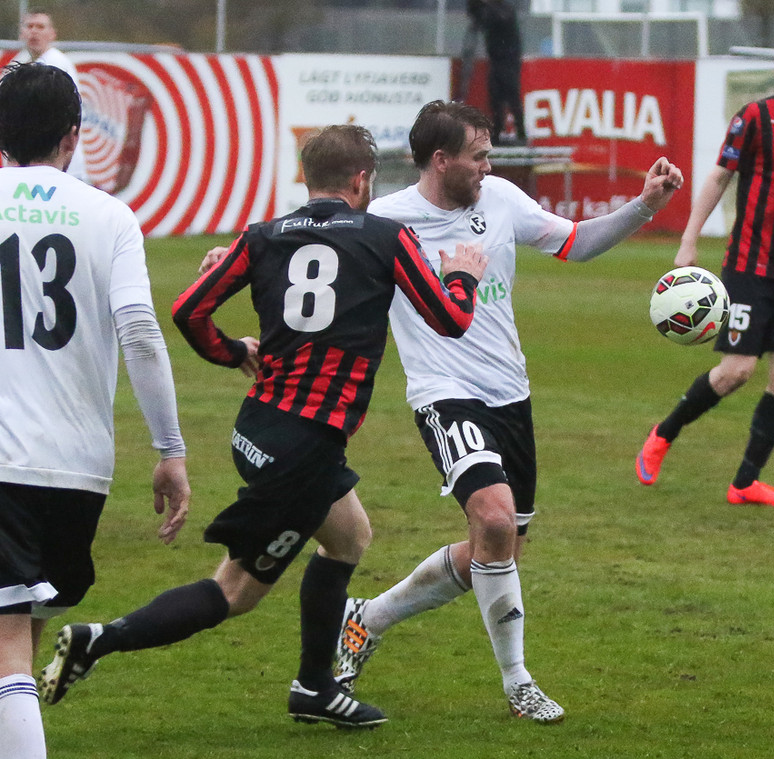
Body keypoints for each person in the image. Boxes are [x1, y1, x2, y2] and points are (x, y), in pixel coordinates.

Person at [38, 124, 488, 730]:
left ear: (307, 178)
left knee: (349, 536)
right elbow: (451, 317)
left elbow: (188, 309)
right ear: (362, 181)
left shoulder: (263, 236)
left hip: (263, 427)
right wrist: (463, 273)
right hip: (301, 446)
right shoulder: (387, 237)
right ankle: (99, 640)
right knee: (235, 592)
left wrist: (232, 351)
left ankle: (314, 686)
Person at [331, 100, 683, 723]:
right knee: (493, 520)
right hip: (443, 392)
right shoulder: (385, 221)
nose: (489, 166)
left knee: (496, 551)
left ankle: (368, 617)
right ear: (441, 160)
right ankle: (519, 683)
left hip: (510, 396)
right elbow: (309, 245)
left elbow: (576, 243)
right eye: (479, 156)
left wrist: (645, 205)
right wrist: (239, 255)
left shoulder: (500, 200)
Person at [0, 62, 190, 759]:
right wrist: (169, 447)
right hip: (79, 468)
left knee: (7, 647)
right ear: (73, 136)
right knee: (22, 632)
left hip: (4, 458)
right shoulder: (110, 216)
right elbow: (139, 331)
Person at [635, 32, 774, 507]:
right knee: (736, 371)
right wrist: (689, 240)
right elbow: (719, 176)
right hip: (750, 266)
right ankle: (663, 434)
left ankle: (746, 482)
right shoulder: (754, 118)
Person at [12, 10, 89, 183]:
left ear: (52, 34)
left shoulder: (55, 65)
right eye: (29, 26)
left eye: (40, 27)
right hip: (38, 162)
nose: (34, 31)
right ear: (21, 32)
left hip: (60, 163)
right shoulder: (21, 61)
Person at [463, 0, 527, 144]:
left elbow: (497, 18)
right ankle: (497, 132)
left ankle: (521, 133)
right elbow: (476, 15)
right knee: (495, 97)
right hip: (496, 60)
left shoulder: (504, 10)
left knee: (511, 95)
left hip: (509, 59)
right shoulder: (490, 10)